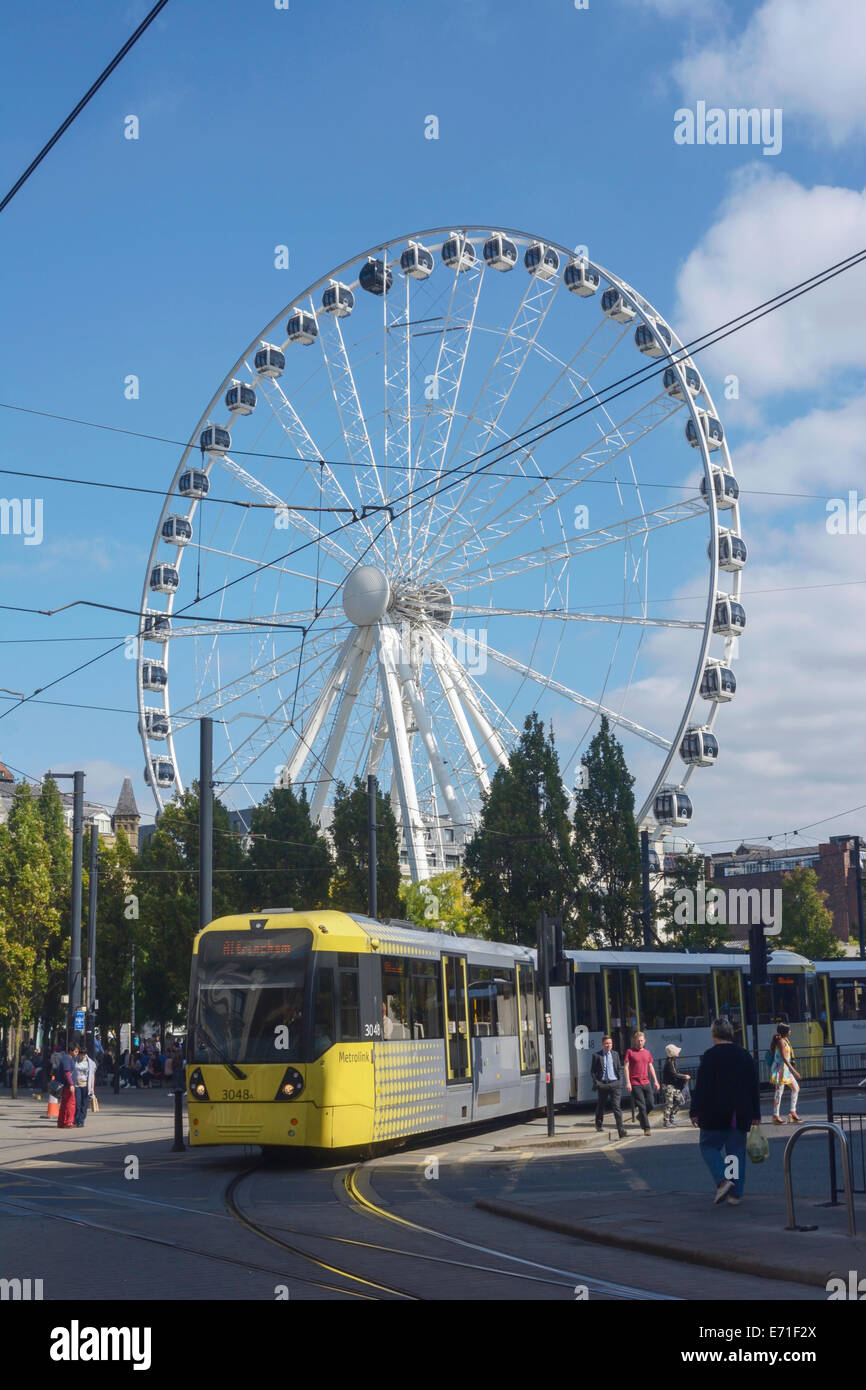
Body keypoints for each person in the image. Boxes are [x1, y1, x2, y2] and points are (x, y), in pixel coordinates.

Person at [690, 1016, 761, 1205]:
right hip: (740, 1113)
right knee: (735, 1153)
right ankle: (735, 1194)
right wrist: (756, 1114)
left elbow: (702, 1086)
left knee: (708, 1146)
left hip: (715, 1112)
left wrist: (694, 1110)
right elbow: (753, 1086)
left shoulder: (710, 1056)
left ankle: (722, 1181)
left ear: (714, 1034)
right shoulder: (744, 1055)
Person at [624, 1031, 660, 1135]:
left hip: (646, 1082)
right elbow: (626, 1067)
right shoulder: (629, 1052)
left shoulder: (647, 1052)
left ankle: (640, 1117)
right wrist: (628, 1082)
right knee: (642, 1106)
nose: (640, 1042)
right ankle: (646, 1128)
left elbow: (650, 1067)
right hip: (635, 1083)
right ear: (634, 1041)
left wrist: (656, 1081)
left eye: (641, 1040)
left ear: (644, 1041)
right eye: (638, 1040)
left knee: (651, 1104)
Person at [590, 1035, 626, 1138]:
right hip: (603, 1084)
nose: (608, 1045)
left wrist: (620, 1081)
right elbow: (592, 1071)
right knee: (601, 1105)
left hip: (615, 1083)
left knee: (616, 1107)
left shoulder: (615, 1054)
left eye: (610, 1043)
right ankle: (599, 1124)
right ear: (602, 1044)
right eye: (606, 1043)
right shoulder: (596, 1055)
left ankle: (620, 1129)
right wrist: (597, 1083)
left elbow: (619, 1068)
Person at [769, 1023, 801, 1124]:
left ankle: (792, 1112)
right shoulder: (781, 1042)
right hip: (781, 1070)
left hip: (785, 1070)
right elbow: (784, 1059)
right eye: (789, 1030)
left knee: (796, 1088)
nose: (790, 1031)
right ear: (786, 1032)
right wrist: (794, 1071)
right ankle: (776, 1116)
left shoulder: (785, 1040)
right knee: (779, 1092)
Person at [661, 1044, 691, 1127]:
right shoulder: (669, 1063)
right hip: (668, 1086)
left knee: (680, 1101)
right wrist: (684, 1076)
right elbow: (674, 1074)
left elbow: (676, 1073)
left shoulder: (673, 1061)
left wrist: (683, 1076)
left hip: (673, 1085)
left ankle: (671, 1116)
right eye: (676, 1051)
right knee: (669, 1103)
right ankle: (666, 1120)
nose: (678, 1053)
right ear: (673, 1053)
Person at [73, 1047, 97, 1127]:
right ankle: (76, 1119)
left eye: (83, 1054)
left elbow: (92, 1076)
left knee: (84, 1104)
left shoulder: (90, 1063)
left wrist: (92, 1088)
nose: (82, 1056)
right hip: (76, 1085)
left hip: (86, 1085)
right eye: (80, 1054)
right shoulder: (74, 1060)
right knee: (77, 1104)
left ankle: (81, 1120)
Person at [57, 1044, 78, 1129]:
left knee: (65, 1104)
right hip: (68, 1085)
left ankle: (62, 1122)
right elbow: (67, 1072)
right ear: (71, 1051)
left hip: (67, 1085)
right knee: (71, 1103)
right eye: (76, 1051)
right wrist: (71, 1084)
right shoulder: (67, 1059)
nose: (77, 1053)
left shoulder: (68, 1058)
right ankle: (68, 1122)